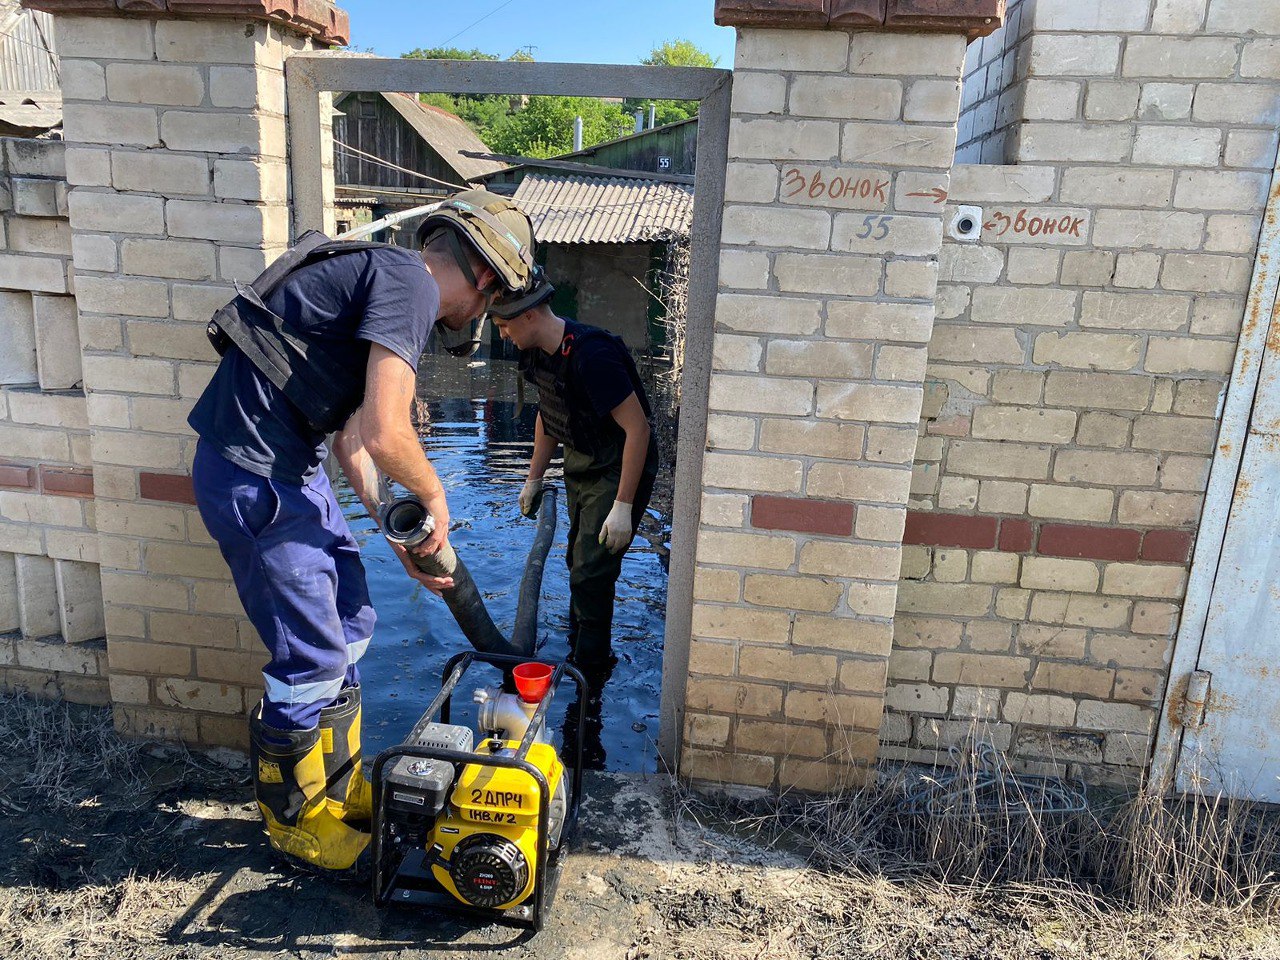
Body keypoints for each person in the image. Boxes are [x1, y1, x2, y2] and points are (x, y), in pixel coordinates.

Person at [187, 190, 537, 870]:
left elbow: (350, 438)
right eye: (491, 303)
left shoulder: (387, 276)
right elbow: (384, 432)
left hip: (291, 470)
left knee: (351, 620)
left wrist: (397, 534)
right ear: (484, 277)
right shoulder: (411, 283)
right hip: (255, 477)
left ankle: (338, 789)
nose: (479, 317)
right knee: (310, 658)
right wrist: (434, 493)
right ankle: (295, 820)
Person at [489, 270, 659, 767]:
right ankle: (580, 638)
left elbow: (638, 429)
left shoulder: (593, 355)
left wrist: (624, 505)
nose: (503, 333)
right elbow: (549, 415)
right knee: (575, 560)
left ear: (528, 316)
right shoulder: (535, 353)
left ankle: (591, 670)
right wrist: (532, 477)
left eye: (504, 324)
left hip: (620, 461)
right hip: (581, 458)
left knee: (592, 567)